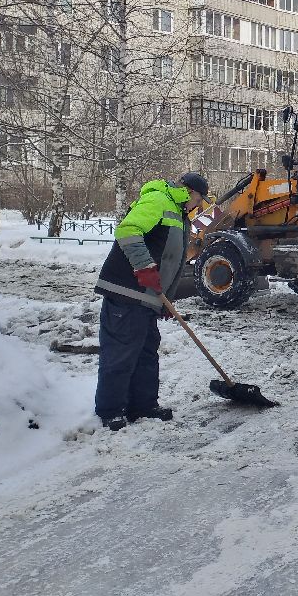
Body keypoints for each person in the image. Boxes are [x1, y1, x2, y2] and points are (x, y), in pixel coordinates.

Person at [93, 172, 209, 431]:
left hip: (147, 297)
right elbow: (128, 230)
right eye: (199, 199)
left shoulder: (179, 213)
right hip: (126, 291)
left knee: (146, 352)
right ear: (191, 192)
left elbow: (169, 259)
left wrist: (163, 300)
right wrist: (144, 267)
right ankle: (110, 410)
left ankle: (142, 406)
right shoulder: (158, 199)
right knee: (121, 353)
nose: (199, 206)